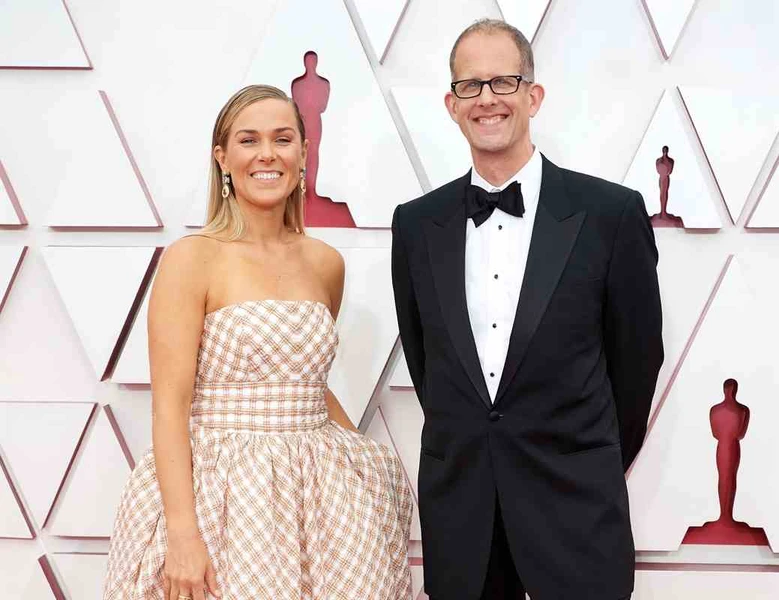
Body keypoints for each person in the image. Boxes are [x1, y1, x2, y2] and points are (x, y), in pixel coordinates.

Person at [104, 84, 412, 600]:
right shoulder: (191, 258)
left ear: (303, 154)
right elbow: (170, 406)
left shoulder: (325, 262)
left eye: (282, 139)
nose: (267, 154)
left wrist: (367, 467)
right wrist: (182, 533)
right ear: (222, 158)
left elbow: (306, 381)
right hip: (221, 495)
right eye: (249, 140)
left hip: (320, 496)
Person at [391, 19, 663, 600]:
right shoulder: (415, 224)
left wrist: (586, 460)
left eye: (504, 82)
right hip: (463, 518)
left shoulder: (610, 214)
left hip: (576, 510)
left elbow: (636, 364)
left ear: (533, 96)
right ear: (451, 105)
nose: (486, 98)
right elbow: (428, 365)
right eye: (470, 85)